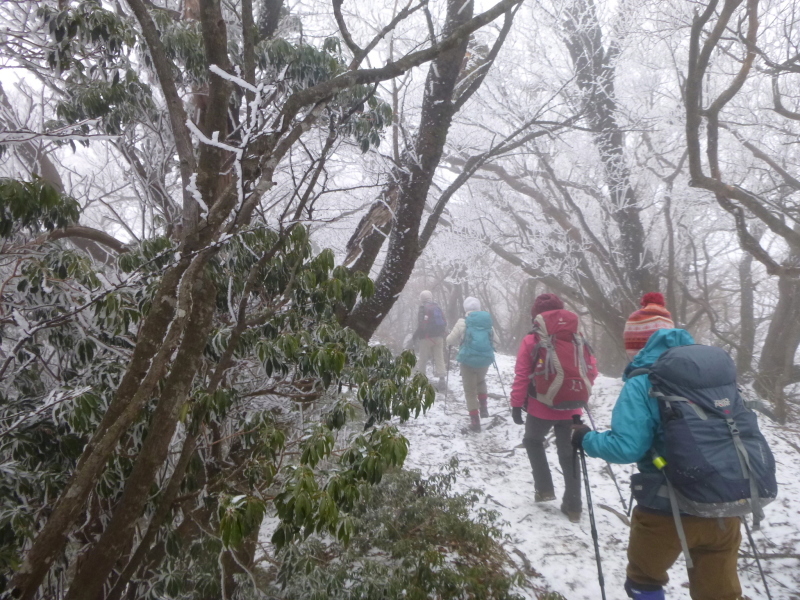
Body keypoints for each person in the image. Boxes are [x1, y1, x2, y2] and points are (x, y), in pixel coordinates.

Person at [572, 328, 744, 600]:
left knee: (644, 582)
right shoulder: (720, 383)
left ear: (642, 350)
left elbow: (627, 447)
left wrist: (587, 439)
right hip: (724, 507)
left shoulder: (642, 383)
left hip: (666, 509)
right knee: (719, 594)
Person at [509, 293, 597, 522]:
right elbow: (592, 370)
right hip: (574, 408)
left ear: (536, 314)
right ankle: (574, 506)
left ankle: (545, 488)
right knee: (570, 454)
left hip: (541, 408)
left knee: (532, 441)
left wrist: (516, 405)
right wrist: (577, 391)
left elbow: (521, 375)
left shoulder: (533, 339)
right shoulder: (577, 337)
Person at [446, 296, 495, 432]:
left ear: (465, 309)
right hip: (485, 359)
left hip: (467, 360)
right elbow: (496, 340)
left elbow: (449, 340)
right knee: (481, 381)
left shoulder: (462, 322)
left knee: (470, 391)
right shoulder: (486, 322)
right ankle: (484, 407)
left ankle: (475, 422)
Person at [412, 290, 447, 390]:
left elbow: (421, 324)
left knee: (423, 358)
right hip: (439, 337)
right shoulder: (437, 307)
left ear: (421, 298)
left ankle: (421, 379)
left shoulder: (423, 308)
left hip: (426, 338)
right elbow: (444, 322)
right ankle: (442, 378)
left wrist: (415, 336)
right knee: (439, 357)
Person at [623, 292, 674, 360]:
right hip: (663, 360)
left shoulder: (635, 316)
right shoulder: (667, 317)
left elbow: (628, 338)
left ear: (644, 302)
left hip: (639, 360)